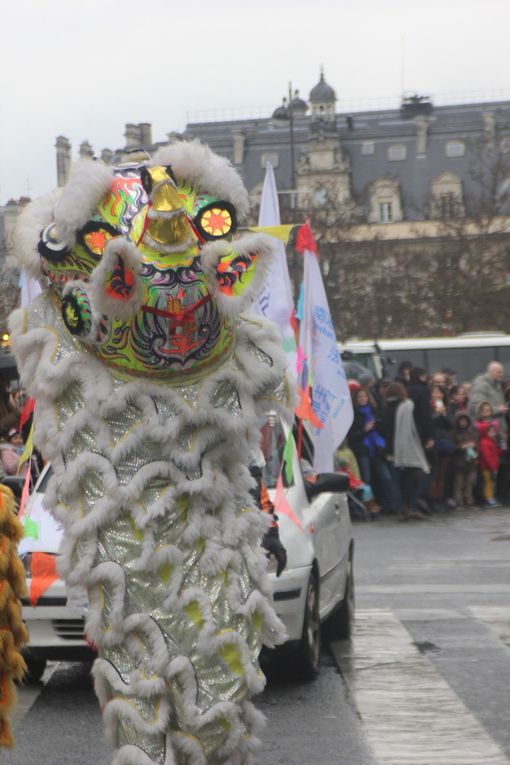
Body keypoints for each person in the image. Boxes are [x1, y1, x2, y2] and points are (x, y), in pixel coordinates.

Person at [348, 388, 397, 513]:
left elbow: (384, 429)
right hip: (362, 450)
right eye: (360, 397)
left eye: (364, 396)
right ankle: (369, 505)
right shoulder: (353, 414)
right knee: (366, 478)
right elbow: (352, 436)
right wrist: (365, 430)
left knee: (385, 476)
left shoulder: (375, 411)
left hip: (377, 450)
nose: (363, 399)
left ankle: (391, 504)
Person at [393, 391, 431, 520]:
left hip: (404, 450)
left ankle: (408, 507)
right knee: (413, 479)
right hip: (409, 450)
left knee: (409, 479)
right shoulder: (408, 407)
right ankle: (409, 507)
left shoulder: (401, 407)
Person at [469, 362, 507, 438]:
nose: (501, 375)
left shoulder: (497, 384)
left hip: (498, 430)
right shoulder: (481, 385)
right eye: (499, 372)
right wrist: (498, 410)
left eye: (502, 372)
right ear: (491, 372)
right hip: (487, 431)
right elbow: (476, 407)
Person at [475, 402, 502, 507]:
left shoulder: (492, 440)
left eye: (489, 410)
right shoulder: (484, 441)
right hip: (487, 466)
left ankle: (491, 497)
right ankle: (488, 498)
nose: (488, 413)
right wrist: (492, 466)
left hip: (493, 465)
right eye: (485, 411)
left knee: (491, 482)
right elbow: (487, 456)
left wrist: (500, 450)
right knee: (487, 482)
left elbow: (495, 452)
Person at [451, 412, 478, 508]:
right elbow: (452, 446)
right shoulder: (454, 432)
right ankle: (459, 502)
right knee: (459, 483)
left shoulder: (471, 432)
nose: (463, 422)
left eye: (465, 420)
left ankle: (469, 501)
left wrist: (473, 445)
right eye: (461, 420)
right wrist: (461, 447)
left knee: (469, 483)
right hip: (459, 461)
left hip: (470, 461)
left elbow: (476, 442)